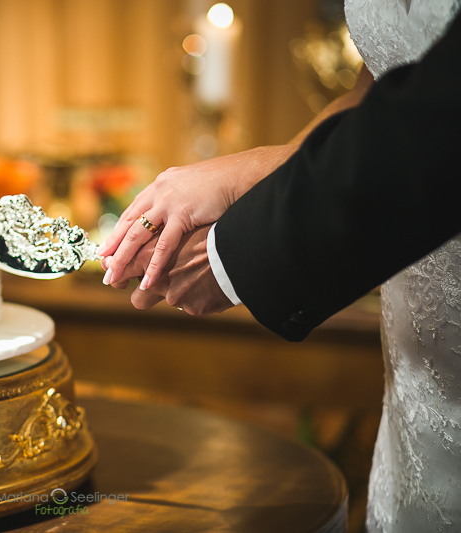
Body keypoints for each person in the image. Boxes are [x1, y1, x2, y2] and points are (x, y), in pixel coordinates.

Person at [99, 2, 461, 532]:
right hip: (418, 369)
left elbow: (440, 119)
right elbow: (382, 89)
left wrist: (233, 251)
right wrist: (248, 176)